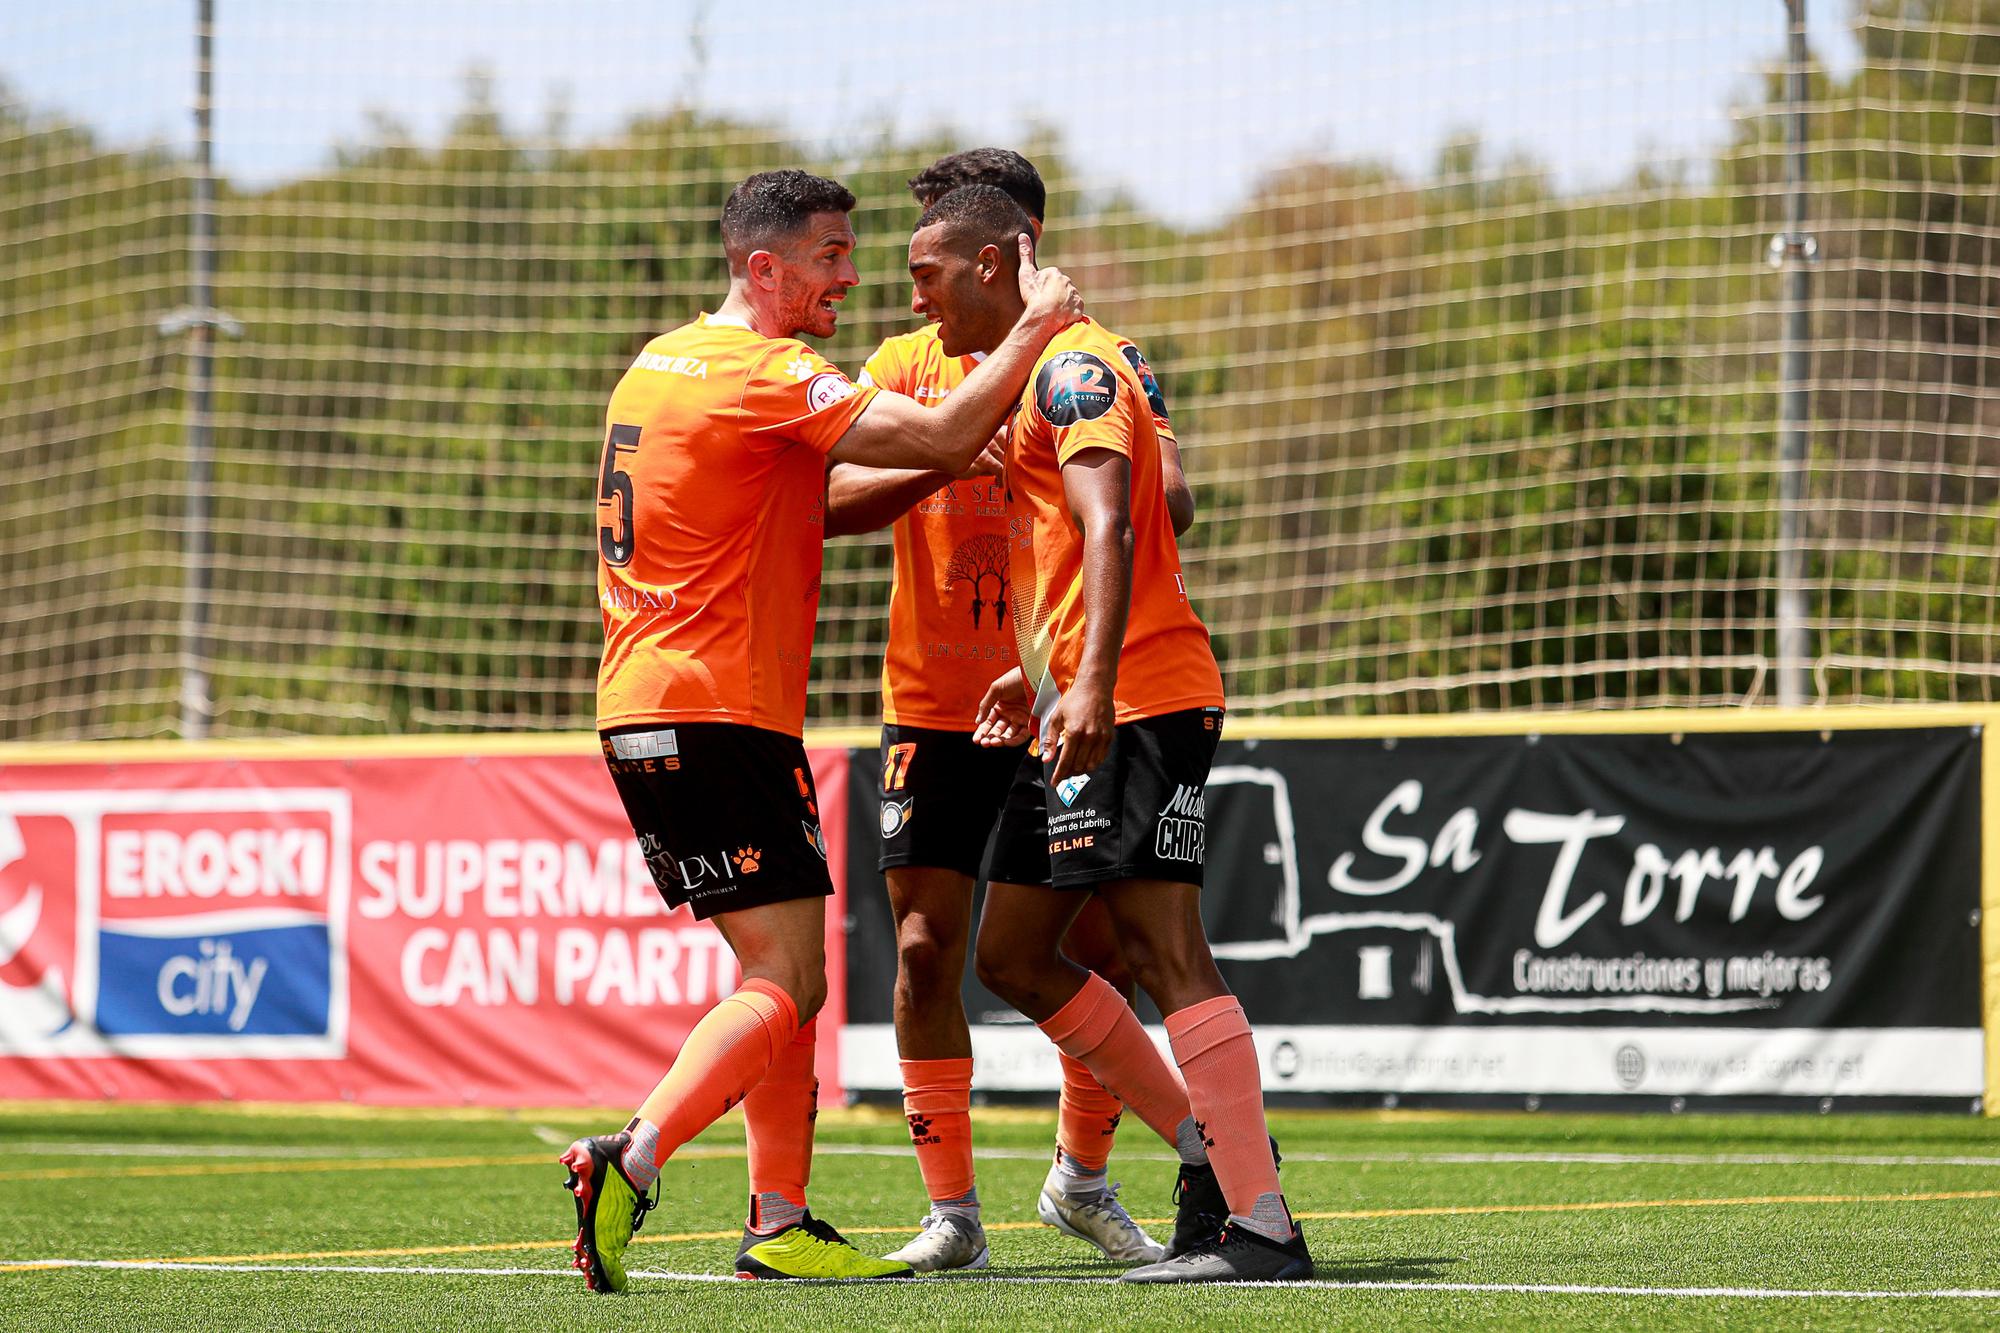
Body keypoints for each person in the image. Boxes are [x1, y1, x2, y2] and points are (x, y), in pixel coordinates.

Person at [560, 168, 1083, 1292]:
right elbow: (943, 434)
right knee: (788, 982)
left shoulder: (656, 364)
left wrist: (933, 464)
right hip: (719, 710)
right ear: (764, 268)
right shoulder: (765, 372)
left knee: (776, 968)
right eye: (832, 256)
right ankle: (635, 1154)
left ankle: (780, 1215)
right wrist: (1034, 328)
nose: (853, 277)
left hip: (646, 708)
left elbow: (813, 504)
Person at [906, 183, 1314, 1282]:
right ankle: (1201, 1145)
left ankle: (1258, 1221)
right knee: (1009, 953)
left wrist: (1083, 685)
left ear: (993, 264)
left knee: (1164, 948)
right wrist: (1031, 674)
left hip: (1136, 696)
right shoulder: (1037, 370)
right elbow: (1071, 556)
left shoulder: (1074, 365)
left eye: (925, 272)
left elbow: (1113, 519)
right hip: (1080, 694)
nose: (916, 297)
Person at [824, 149, 1192, 1273]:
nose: (920, 279)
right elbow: (825, 499)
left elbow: (1165, 496)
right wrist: (943, 456)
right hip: (934, 703)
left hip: (1059, 692)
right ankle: (954, 1216)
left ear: (1014, 248)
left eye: (940, 245)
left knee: (1092, 945)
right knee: (927, 950)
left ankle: (1084, 1176)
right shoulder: (905, 362)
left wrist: (1061, 436)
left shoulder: (1098, 361)